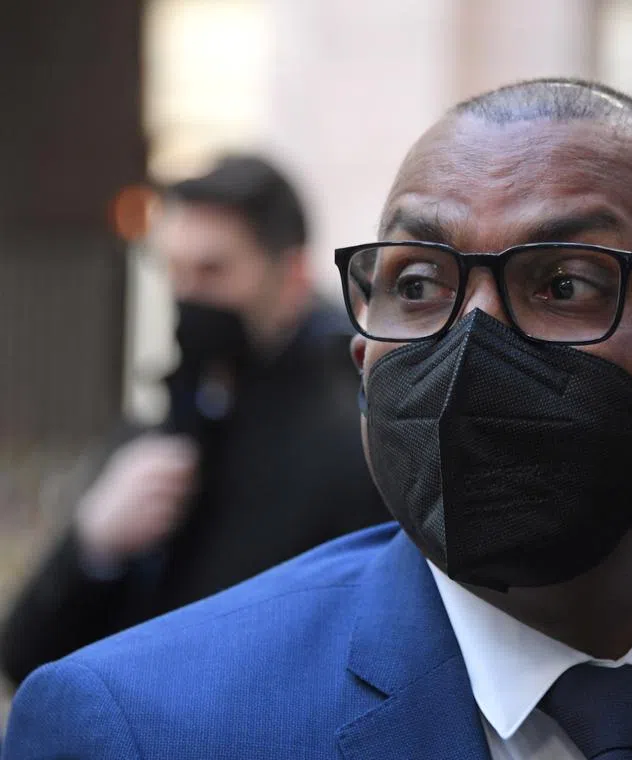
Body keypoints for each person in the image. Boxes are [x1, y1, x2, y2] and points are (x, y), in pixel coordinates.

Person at [2, 80, 632, 759]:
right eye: (416, 281)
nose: (471, 344)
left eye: (570, 284)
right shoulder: (149, 726)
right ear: (363, 349)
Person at [0, 155, 384, 688]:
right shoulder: (170, 417)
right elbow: (27, 652)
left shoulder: (359, 440)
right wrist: (94, 546)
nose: (187, 297)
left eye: (212, 271)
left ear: (292, 276)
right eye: (174, 272)